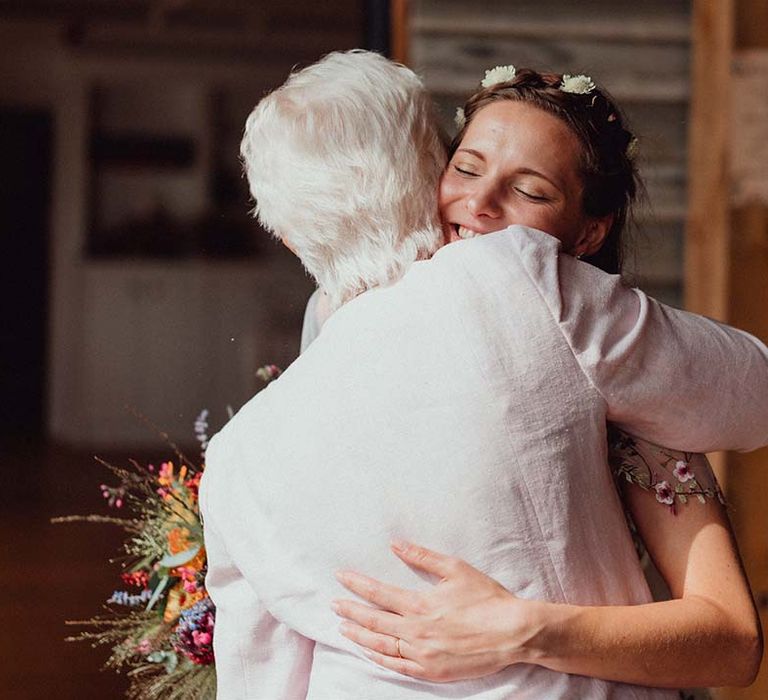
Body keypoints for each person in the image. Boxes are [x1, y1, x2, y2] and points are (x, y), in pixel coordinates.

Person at [200, 51, 768, 699]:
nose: (481, 204)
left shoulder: (236, 461)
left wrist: (525, 630)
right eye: (465, 168)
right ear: (424, 173)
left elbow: (259, 680)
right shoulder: (519, 293)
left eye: (529, 190)